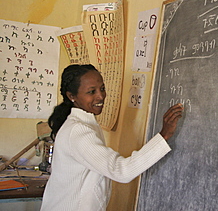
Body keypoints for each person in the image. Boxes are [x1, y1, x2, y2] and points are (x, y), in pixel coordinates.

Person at [40, 64, 183, 211]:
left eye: (102, 88)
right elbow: (121, 171)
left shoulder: (85, 123)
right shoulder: (79, 131)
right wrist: (164, 136)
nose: (100, 96)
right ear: (72, 96)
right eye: (91, 91)